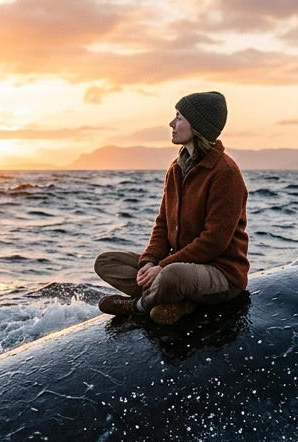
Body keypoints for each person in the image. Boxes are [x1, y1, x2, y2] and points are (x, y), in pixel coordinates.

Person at [94, 91, 249, 325]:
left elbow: (214, 241)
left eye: (179, 117)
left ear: (197, 126)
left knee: (172, 275)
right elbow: (163, 224)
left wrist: (163, 267)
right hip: (178, 266)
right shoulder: (176, 168)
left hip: (221, 274)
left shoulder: (225, 173)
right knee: (106, 262)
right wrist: (149, 262)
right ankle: (173, 300)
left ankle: (138, 305)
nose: (171, 124)